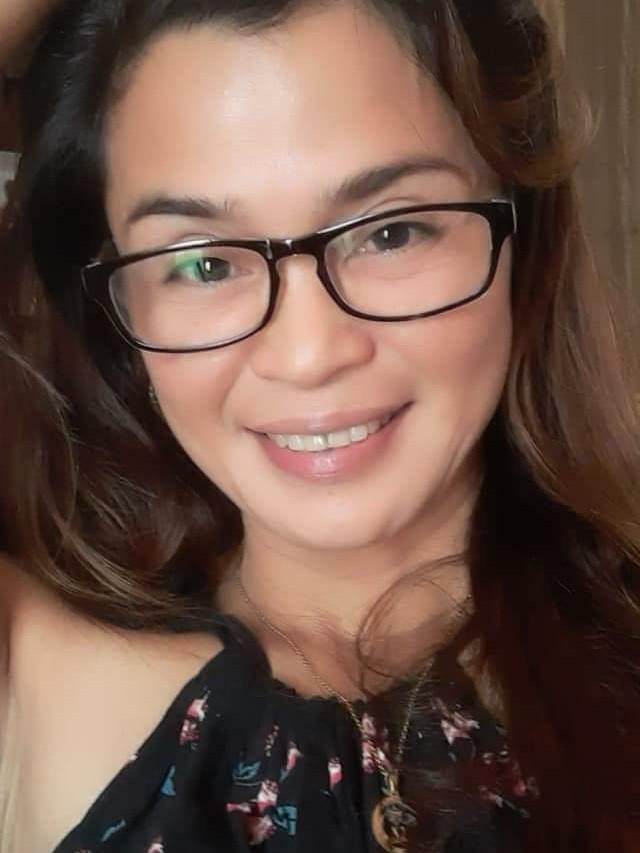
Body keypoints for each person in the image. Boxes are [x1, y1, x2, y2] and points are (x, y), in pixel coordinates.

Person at [0, 0, 639, 851]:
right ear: (121, 316)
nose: (308, 355)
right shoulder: (33, 681)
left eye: (392, 231)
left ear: (522, 238)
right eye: (203, 262)